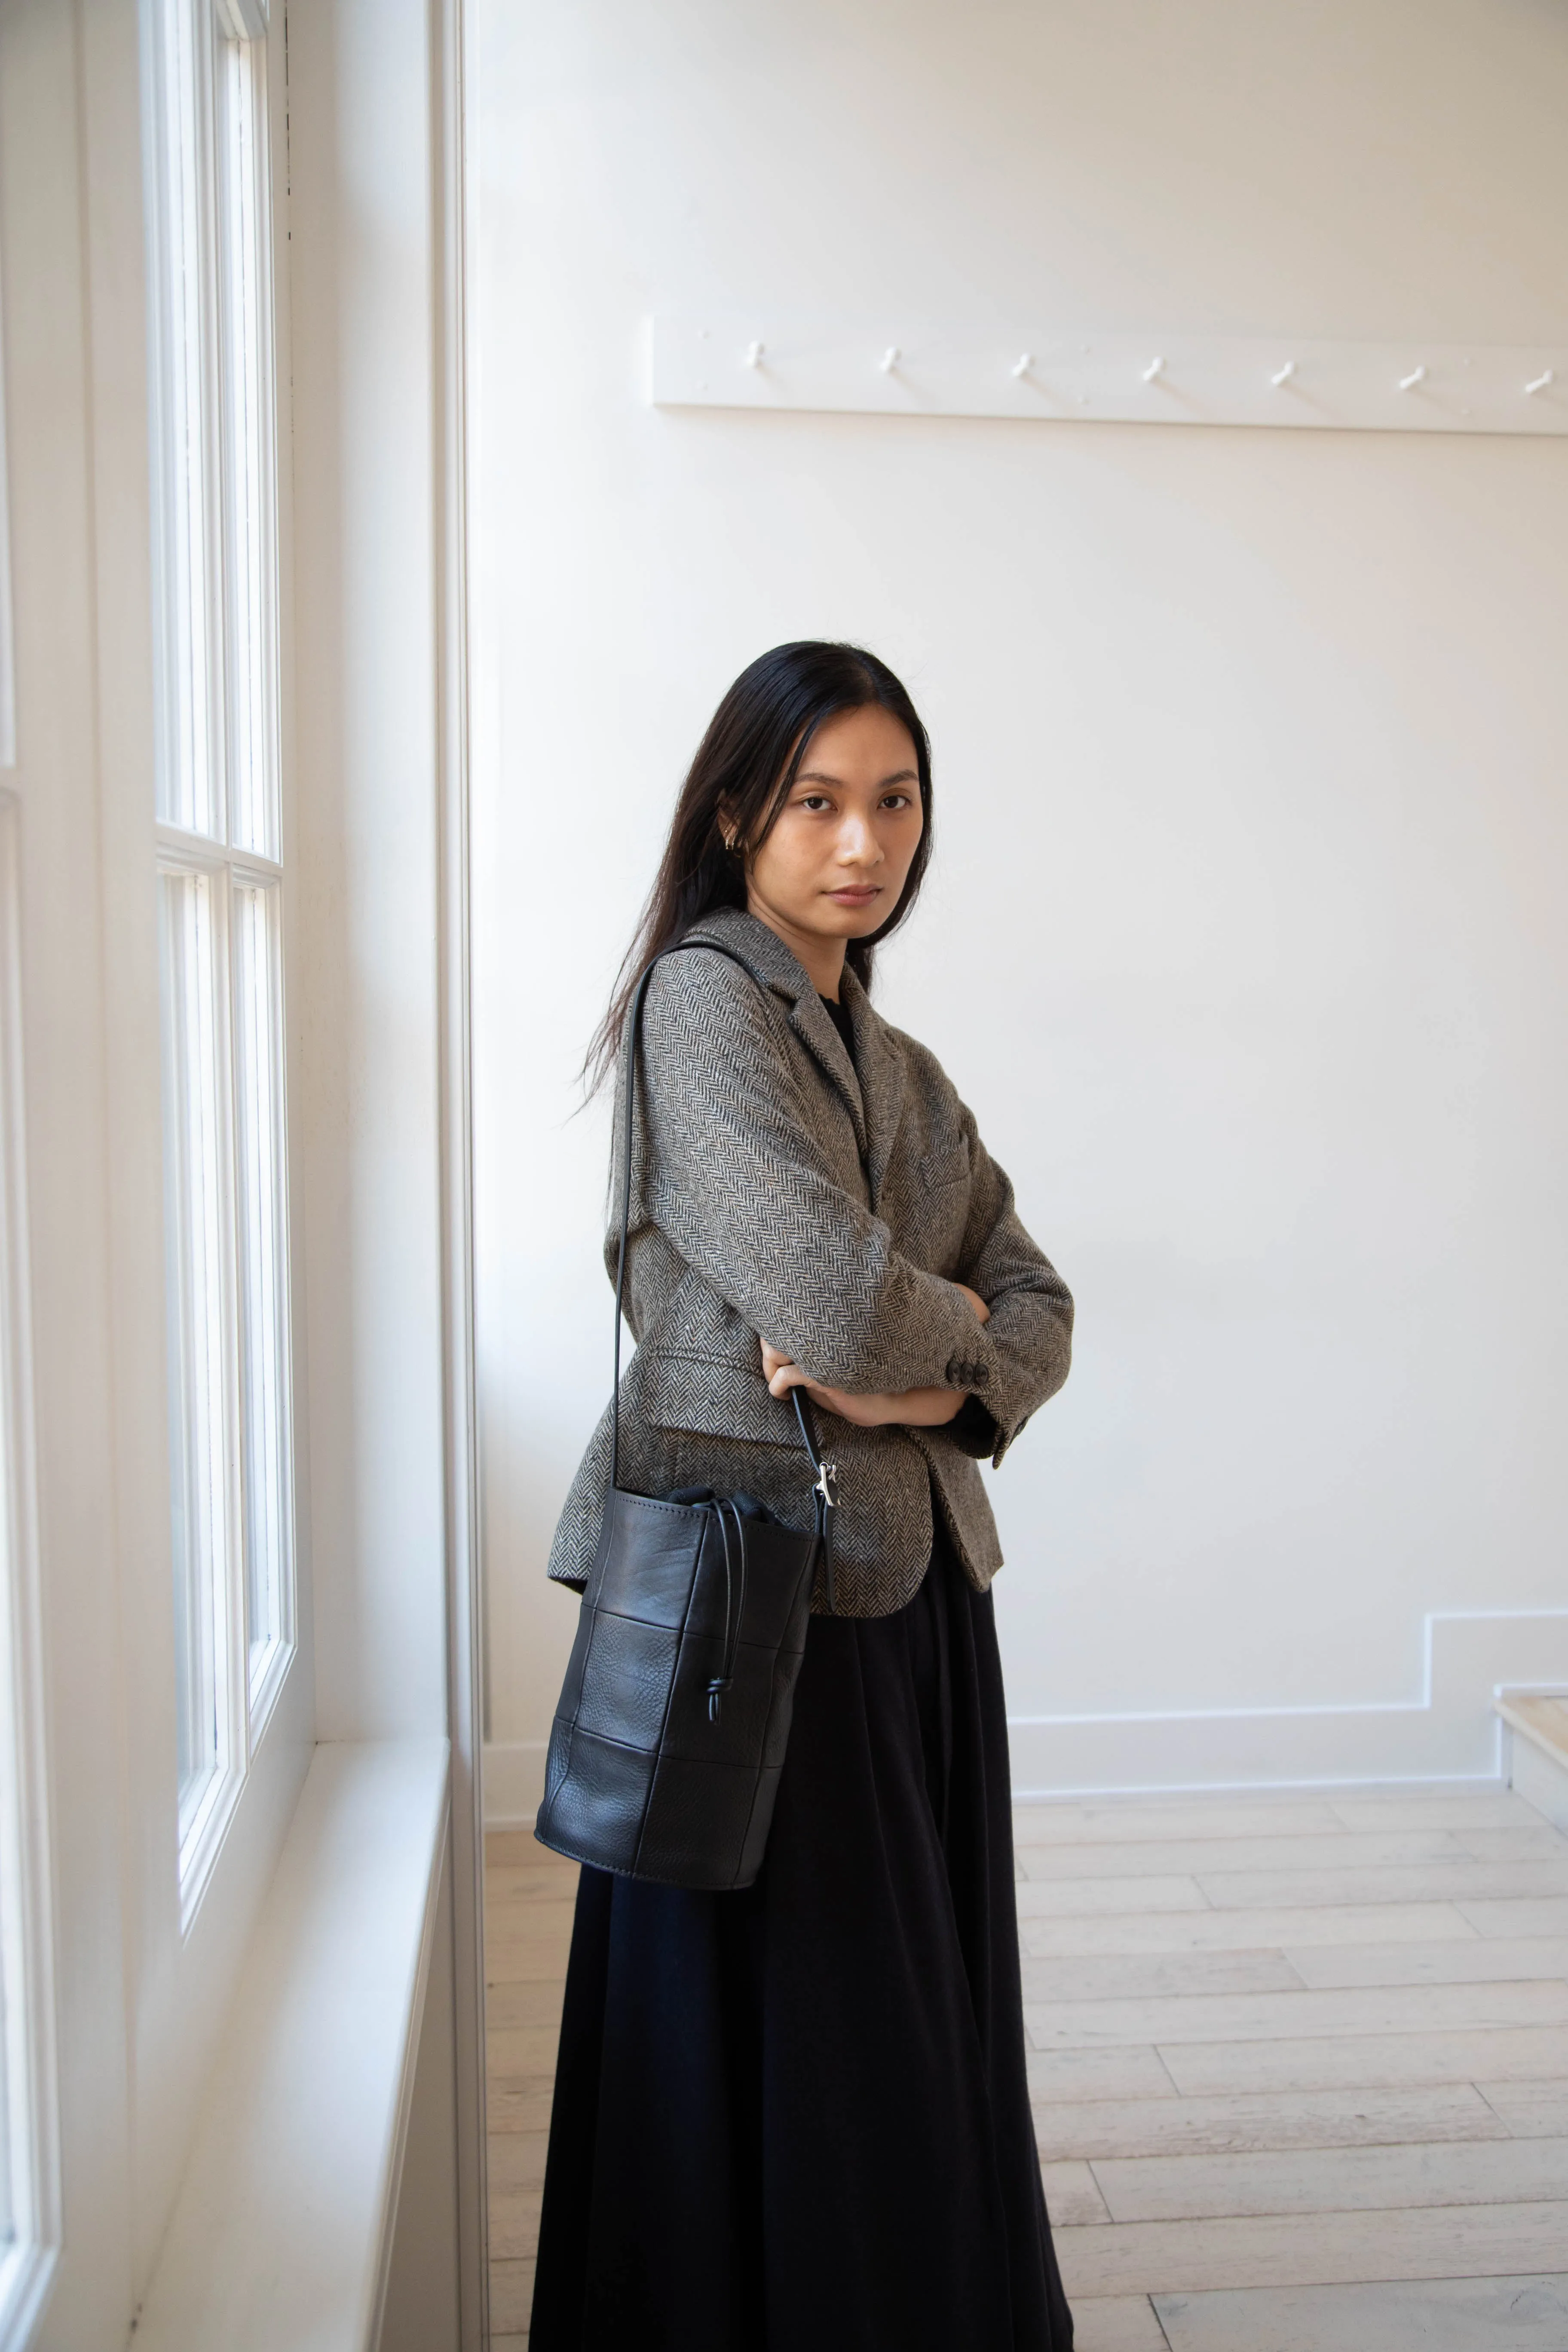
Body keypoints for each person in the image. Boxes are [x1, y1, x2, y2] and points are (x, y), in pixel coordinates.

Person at [529, 641, 1076, 2351]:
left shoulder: (895, 1065)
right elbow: (825, 1300)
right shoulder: (706, 1001)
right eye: (821, 801)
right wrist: (926, 1333)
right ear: (737, 812)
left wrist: (925, 1378)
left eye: (896, 800)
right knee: (800, 2043)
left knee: (901, 2033)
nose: (866, 843)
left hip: (907, 1602)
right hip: (749, 1597)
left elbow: (1040, 1309)